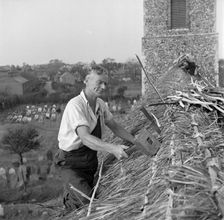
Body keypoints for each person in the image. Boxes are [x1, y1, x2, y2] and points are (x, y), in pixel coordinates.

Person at [54, 66, 137, 211]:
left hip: (90, 162)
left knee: (91, 194)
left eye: (105, 83)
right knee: (88, 203)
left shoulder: (100, 104)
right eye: (99, 82)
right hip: (71, 163)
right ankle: (68, 206)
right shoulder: (76, 105)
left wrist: (135, 140)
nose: (103, 87)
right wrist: (112, 148)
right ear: (86, 80)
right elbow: (85, 138)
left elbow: (115, 127)